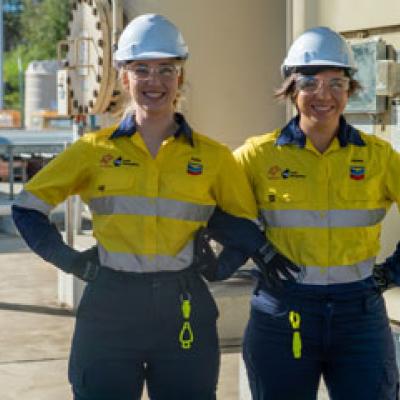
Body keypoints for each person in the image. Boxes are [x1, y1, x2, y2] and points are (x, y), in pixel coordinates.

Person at [10, 13, 272, 400]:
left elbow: (246, 226)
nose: (155, 81)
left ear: (180, 77)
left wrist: (221, 266)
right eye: (142, 69)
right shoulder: (91, 151)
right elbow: (27, 208)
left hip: (183, 305)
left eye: (167, 69)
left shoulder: (214, 158)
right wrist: (71, 261)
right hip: (110, 306)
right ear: (123, 77)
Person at [204, 26, 400, 399]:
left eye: (336, 83)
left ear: (350, 89)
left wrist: (393, 271)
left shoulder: (378, 157)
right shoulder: (257, 156)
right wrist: (256, 248)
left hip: (358, 314)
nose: (323, 95)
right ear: (292, 89)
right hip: (283, 311)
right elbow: (201, 204)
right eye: (309, 82)